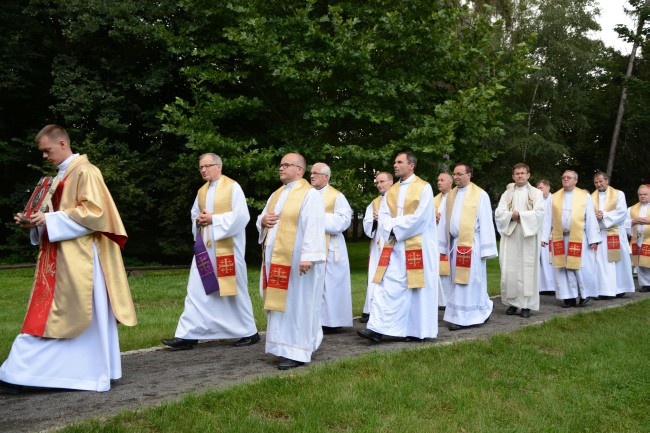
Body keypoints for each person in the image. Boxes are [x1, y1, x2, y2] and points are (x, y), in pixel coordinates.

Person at [0, 124, 137, 393]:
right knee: (48, 314)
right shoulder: (60, 176)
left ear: (62, 143)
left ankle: (29, 373)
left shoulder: (86, 171)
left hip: (84, 259)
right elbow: (55, 215)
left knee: (66, 314)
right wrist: (35, 222)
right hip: (62, 257)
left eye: (47, 150)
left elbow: (96, 213)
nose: (44, 156)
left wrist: (49, 219)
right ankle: (62, 373)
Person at [161, 153, 259, 350]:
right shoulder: (201, 191)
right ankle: (188, 335)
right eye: (201, 167)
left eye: (207, 166)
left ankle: (249, 332)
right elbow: (194, 214)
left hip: (227, 252)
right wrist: (198, 220)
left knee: (234, 291)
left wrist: (214, 219)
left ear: (219, 166)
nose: (203, 170)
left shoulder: (233, 187)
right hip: (205, 251)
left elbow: (241, 217)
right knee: (196, 291)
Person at [358, 151, 438, 343]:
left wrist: (394, 224)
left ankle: (417, 331)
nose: (395, 165)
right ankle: (377, 328)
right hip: (394, 245)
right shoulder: (391, 191)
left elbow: (421, 218)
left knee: (417, 288)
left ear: (411, 165)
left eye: (399, 162)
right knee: (387, 286)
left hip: (417, 246)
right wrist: (392, 227)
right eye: (394, 162)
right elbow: (383, 215)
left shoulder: (424, 188)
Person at [257, 153, 326, 370]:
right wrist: (262, 220)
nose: (281, 168)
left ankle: (298, 351)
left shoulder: (309, 195)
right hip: (276, 261)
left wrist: (308, 256)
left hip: (298, 263)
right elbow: (264, 218)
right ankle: (281, 347)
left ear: (300, 170)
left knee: (299, 305)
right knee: (281, 305)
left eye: (286, 165)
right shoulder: (276, 195)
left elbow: (314, 226)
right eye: (280, 165)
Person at [438, 163, 497, 330]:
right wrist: (442, 246)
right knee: (457, 281)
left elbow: (486, 222)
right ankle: (461, 313)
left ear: (469, 175)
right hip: (455, 244)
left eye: (459, 174)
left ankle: (468, 316)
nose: (455, 177)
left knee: (471, 281)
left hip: (472, 244)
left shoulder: (480, 195)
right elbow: (444, 221)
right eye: (454, 174)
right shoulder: (451, 195)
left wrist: (486, 249)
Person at [543, 170, 600, 308]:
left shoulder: (584, 196)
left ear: (576, 180)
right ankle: (567, 297)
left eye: (568, 177)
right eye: (563, 177)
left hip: (579, 238)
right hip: (560, 238)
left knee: (580, 268)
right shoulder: (554, 197)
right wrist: (544, 237)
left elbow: (591, 218)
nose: (565, 179)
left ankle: (584, 295)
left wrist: (593, 238)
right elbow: (547, 218)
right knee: (562, 269)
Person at [495, 164, 545, 318]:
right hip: (511, 234)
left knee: (527, 269)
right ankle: (512, 304)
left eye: (523, 173)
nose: (520, 176)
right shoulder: (507, 194)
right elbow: (499, 212)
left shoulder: (537, 193)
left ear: (528, 175)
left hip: (527, 236)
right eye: (517, 173)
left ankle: (526, 306)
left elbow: (539, 213)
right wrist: (511, 216)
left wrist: (520, 216)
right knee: (510, 269)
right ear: (513, 176)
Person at [310, 162, 353, 334]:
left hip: (332, 246)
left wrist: (316, 219)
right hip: (311, 244)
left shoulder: (336, 196)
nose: (311, 175)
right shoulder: (306, 193)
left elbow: (343, 220)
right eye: (311, 172)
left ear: (325, 177)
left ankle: (332, 321)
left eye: (315, 173)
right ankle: (315, 318)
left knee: (331, 284)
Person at [591, 171, 635, 299]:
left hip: (615, 233)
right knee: (601, 262)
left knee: (617, 262)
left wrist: (604, 215)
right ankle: (604, 289)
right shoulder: (591, 197)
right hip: (600, 234)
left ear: (607, 181)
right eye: (596, 182)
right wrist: (596, 217)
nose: (599, 184)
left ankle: (620, 288)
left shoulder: (619, 194)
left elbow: (622, 212)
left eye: (600, 181)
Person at [361, 172, 394, 323]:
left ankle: (388, 311)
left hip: (393, 244)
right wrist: (374, 221)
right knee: (375, 275)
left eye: (382, 181)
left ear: (391, 182)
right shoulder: (374, 203)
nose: (379, 185)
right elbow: (367, 226)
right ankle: (371, 310)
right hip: (378, 246)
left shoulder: (399, 200)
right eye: (377, 182)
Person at [434, 172, 453, 310]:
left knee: (449, 271)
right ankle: (440, 300)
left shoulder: (456, 197)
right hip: (436, 238)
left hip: (450, 240)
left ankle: (449, 299)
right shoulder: (435, 199)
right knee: (438, 270)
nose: (439, 182)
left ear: (450, 183)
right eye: (438, 180)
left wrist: (444, 221)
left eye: (442, 180)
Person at [626, 184, 650, 292]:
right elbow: (624, 223)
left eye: (645, 194)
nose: (642, 196)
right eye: (640, 194)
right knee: (639, 262)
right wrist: (633, 221)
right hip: (637, 239)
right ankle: (645, 284)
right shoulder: (631, 209)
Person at [536, 180, 555, 295]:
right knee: (541, 260)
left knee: (550, 260)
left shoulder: (554, 199)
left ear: (548, 187)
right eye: (537, 188)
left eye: (541, 188)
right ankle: (542, 286)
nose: (538, 190)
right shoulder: (537, 201)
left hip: (552, 234)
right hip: (539, 233)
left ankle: (551, 286)